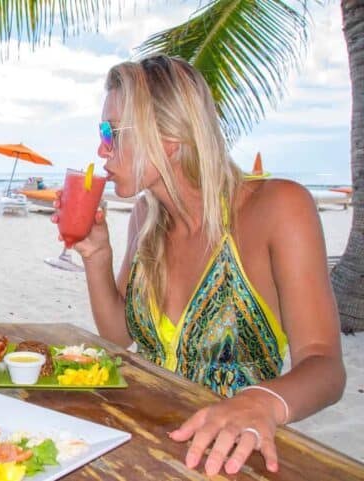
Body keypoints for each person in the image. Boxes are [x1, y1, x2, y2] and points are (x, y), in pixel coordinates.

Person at [53, 55, 345, 476]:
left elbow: (325, 365)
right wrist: (97, 256)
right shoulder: (145, 217)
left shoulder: (277, 208)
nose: (101, 149)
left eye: (111, 132)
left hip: (226, 461)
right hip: (141, 445)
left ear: (169, 138)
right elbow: (118, 334)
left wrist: (261, 401)